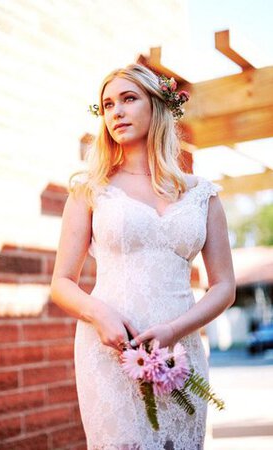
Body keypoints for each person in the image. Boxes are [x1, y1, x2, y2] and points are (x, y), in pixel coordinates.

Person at [50, 63, 236, 450]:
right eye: (107, 105)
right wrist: (100, 314)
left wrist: (174, 331)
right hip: (112, 350)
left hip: (180, 352)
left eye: (128, 98)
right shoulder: (90, 190)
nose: (116, 111)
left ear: (157, 105)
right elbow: (61, 283)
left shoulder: (202, 194)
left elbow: (225, 286)